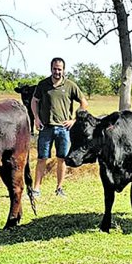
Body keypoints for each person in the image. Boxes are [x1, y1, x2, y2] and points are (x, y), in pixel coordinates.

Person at [31, 57, 89, 197]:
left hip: (64, 129)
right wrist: (36, 118)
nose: (57, 71)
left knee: (61, 159)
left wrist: (74, 120)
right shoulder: (43, 84)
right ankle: (36, 189)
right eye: (55, 69)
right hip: (46, 127)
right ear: (51, 69)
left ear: (63, 70)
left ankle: (59, 188)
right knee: (41, 158)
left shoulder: (70, 85)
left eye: (60, 69)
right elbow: (34, 101)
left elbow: (84, 103)